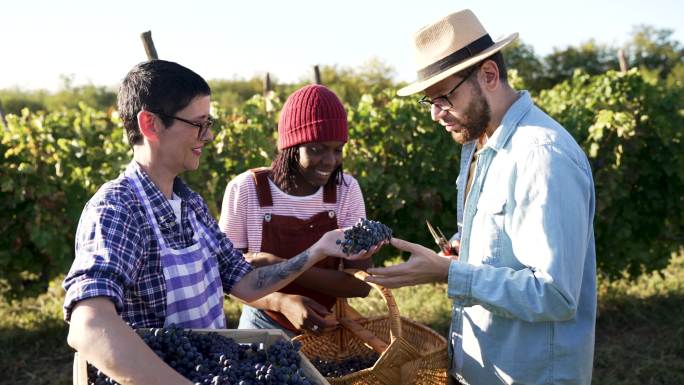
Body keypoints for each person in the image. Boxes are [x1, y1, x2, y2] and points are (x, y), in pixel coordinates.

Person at [62, 60, 378, 385]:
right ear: (150, 124)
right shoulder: (117, 208)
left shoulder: (192, 206)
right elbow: (88, 326)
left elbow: (245, 282)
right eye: (199, 124)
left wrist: (317, 250)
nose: (208, 135)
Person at [363, 9, 597, 385]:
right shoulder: (478, 146)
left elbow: (554, 294)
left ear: (489, 75)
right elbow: (500, 242)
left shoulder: (541, 155)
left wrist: (451, 273)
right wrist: (454, 253)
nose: (436, 114)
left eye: (444, 97)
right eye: (429, 101)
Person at [218, 84, 371, 337]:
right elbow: (228, 280)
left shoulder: (345, 190)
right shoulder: (246, 190)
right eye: (316, 149)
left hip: (328, 327)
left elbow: (360, 284)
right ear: (290, 147)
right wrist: (280, 302)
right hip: (261, 324)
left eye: (337, 149)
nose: (330, 161)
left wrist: (278, 265)